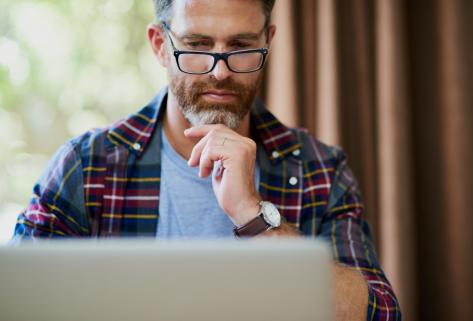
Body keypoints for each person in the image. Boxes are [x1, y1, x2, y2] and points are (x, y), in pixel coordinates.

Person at [12, 0, 401, 320]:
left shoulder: (321, 170)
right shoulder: (86, 167)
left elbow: (381, 313)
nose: (219, 72)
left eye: (240, 46)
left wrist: (255, 217)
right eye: (197, 45)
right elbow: (15, 302)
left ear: (268, 41)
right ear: (160, 45)